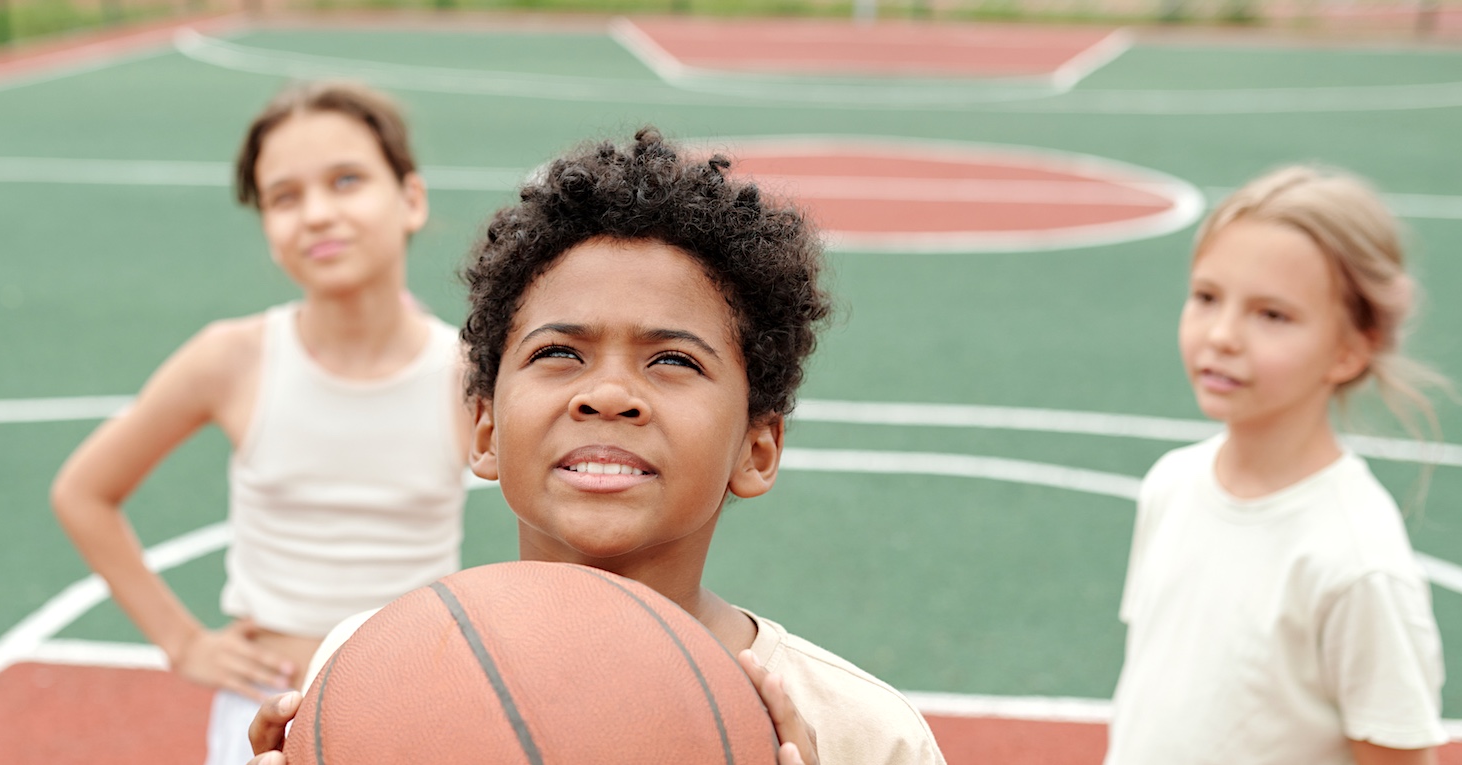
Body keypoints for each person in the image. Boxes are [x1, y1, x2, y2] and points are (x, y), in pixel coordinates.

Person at [247, 128, 947, 765]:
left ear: (756, 450)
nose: (608, 394)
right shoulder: (367, 671)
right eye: (559, 352)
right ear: (484, 429)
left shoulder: (865, 736)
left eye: (673, 360)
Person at [49, 80, 470, 765]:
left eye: (346, 180)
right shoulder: (232, 360)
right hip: (265, 719)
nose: (317, 214)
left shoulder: (468, 372)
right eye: (284, 197)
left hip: (416, 711)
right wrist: (183, 641)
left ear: (411, 200)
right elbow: (83, 491)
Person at [1106, 165, 1451, 765]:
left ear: (1349, 350)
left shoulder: (1356, 563)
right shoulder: (1173, 483)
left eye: (1271, 315)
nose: (1222, 336)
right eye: (1207, 297)